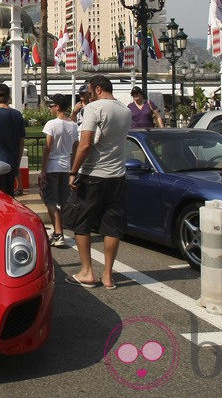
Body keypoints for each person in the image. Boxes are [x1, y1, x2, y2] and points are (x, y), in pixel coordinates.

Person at [64, 74, 132, 290]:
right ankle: (108, 276)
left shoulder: (93, 108)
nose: (89, 93)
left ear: (98, 89)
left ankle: (87, 272)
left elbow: (85, 144)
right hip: (117, 176)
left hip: (94, 174)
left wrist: (73, 171)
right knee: (112, 227)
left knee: (81, 224)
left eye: (90, 90)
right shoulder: (125, 110)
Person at [39, 94, 78, 248]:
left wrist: (42, 170)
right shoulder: (73, 125)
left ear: (57, 107)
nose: (50, 108)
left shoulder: (52, 124)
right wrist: (73, 168)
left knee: (50, 201)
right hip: (66, 166)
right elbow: (75, 147)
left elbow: (47, 148)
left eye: (51, 105)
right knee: (62, 201)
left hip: (52, 167)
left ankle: (58, 233)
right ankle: (59, 231)